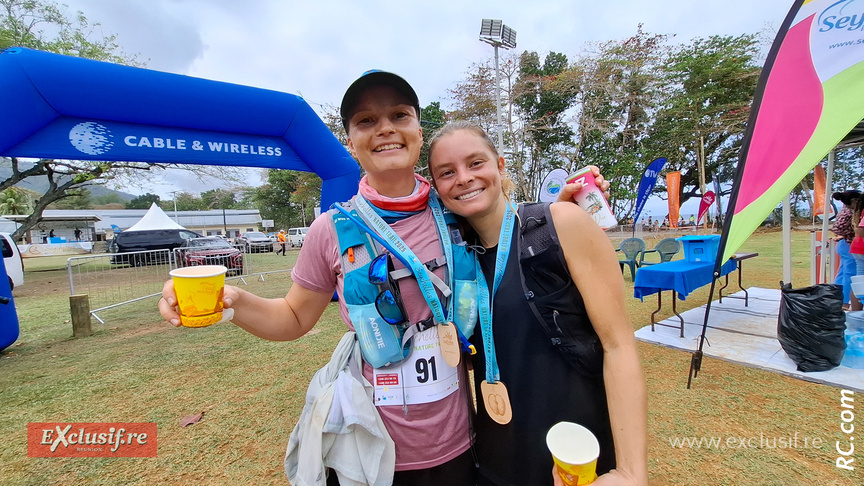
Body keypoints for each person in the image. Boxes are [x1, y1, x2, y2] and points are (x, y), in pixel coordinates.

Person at [159, 71, 607, 485]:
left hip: (460, 444)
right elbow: (293, 317)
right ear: (350, 142)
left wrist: (564, 204)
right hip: (372, 448)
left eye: (399, 116)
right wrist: (233, 299)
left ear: (418, 131)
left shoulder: (456, 209)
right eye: (366, 120)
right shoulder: (330, 230)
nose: (385, 128)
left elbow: (509, 227)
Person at [427, 121, 647, 486]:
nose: (463, 178)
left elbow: (619, 345)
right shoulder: (455, 262)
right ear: (437, 188)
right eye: (447, 172)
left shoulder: (560, 224)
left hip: (574, 462)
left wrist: (630, 472)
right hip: (496, 464)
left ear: (499, 166)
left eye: (475, 163)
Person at [832, 190, 860, 310]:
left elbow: (837, 228)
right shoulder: (852, 212)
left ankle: (835, 298)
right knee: (850, 275)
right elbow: (839, 228)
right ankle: (844, 302)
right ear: (855, 201)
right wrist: (852, 233)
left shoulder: (844, 210)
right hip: (850, 245)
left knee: (842, 273)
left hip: (843, 244)